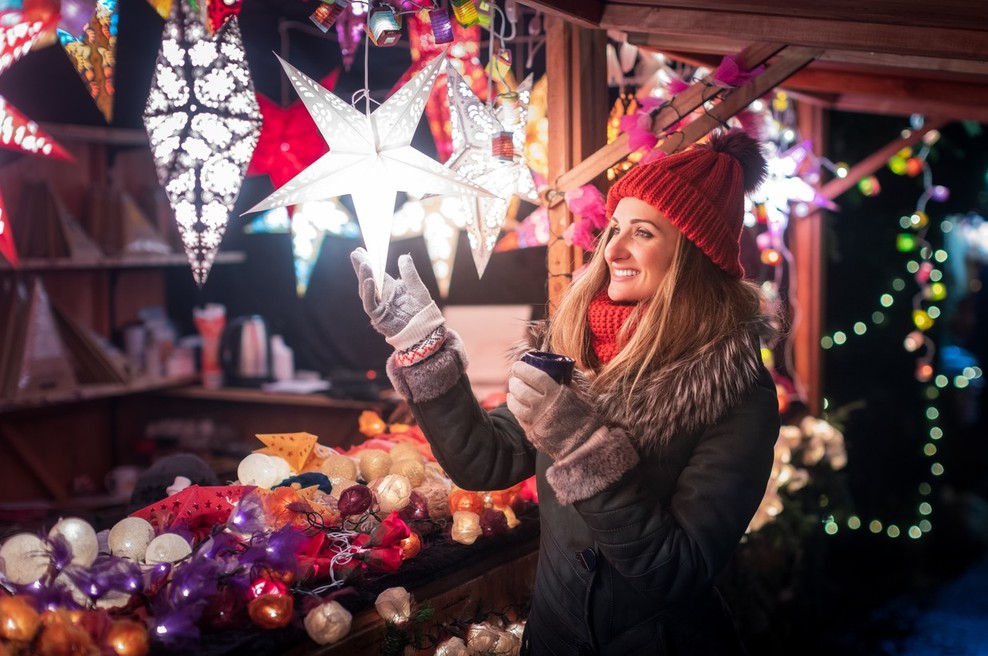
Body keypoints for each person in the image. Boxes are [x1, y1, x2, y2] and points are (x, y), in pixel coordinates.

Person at [351, 129, 781, 655]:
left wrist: (583, 448)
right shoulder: (579, 341)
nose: (614, 248)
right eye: (615, 227)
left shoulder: (736, 389)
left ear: (690, 252)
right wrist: (423, 345)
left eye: (642, 233)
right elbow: (488, 461)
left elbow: (676, 570)